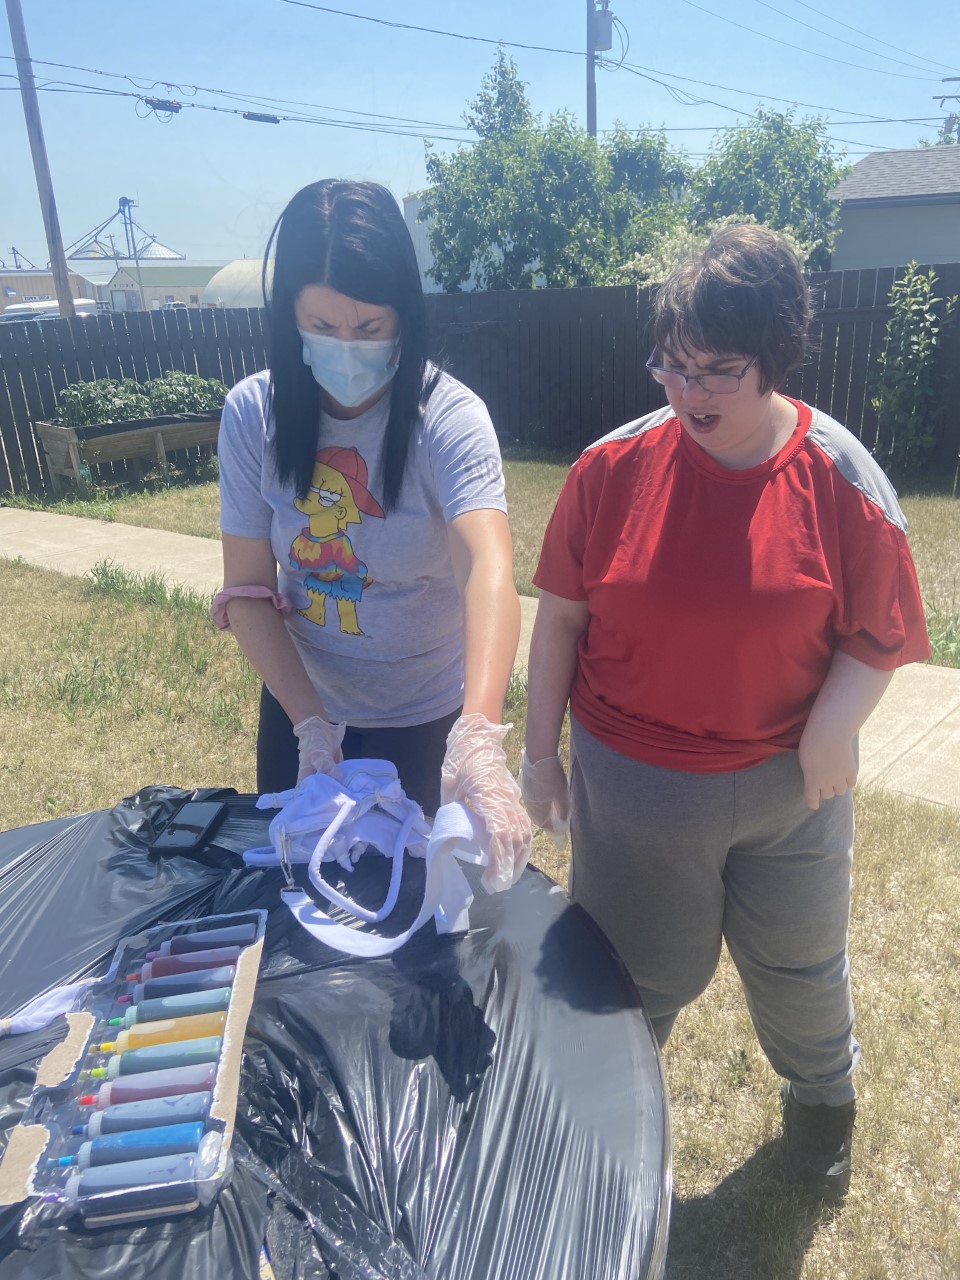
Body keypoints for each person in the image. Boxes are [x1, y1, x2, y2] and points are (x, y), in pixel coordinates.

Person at [520, 224, 930, 1198]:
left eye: (718, 371)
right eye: (673, 363)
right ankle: (605, 1128)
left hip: (792, 789)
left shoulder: (840, 476)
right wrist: (538, 757)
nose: (689, 390)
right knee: (631, 972)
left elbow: (879, 633)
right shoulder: (609, 469)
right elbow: (560, 620)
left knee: (800, 964)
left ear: (775, 357)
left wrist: (834, 725)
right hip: (638, 787)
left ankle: (822, 1108)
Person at [212, 179, 531, 892]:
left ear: (404, 317)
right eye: (322, 326)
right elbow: (248, 589)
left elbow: (487, 569)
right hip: (303, 709)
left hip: (429, 719)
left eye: (369, 327)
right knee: (307, 901)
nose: (347, 348)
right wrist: (311, 728)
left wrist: (479, 737)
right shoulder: (254, 413)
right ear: (289, 315)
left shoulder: (448, 417)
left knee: (422, 911)